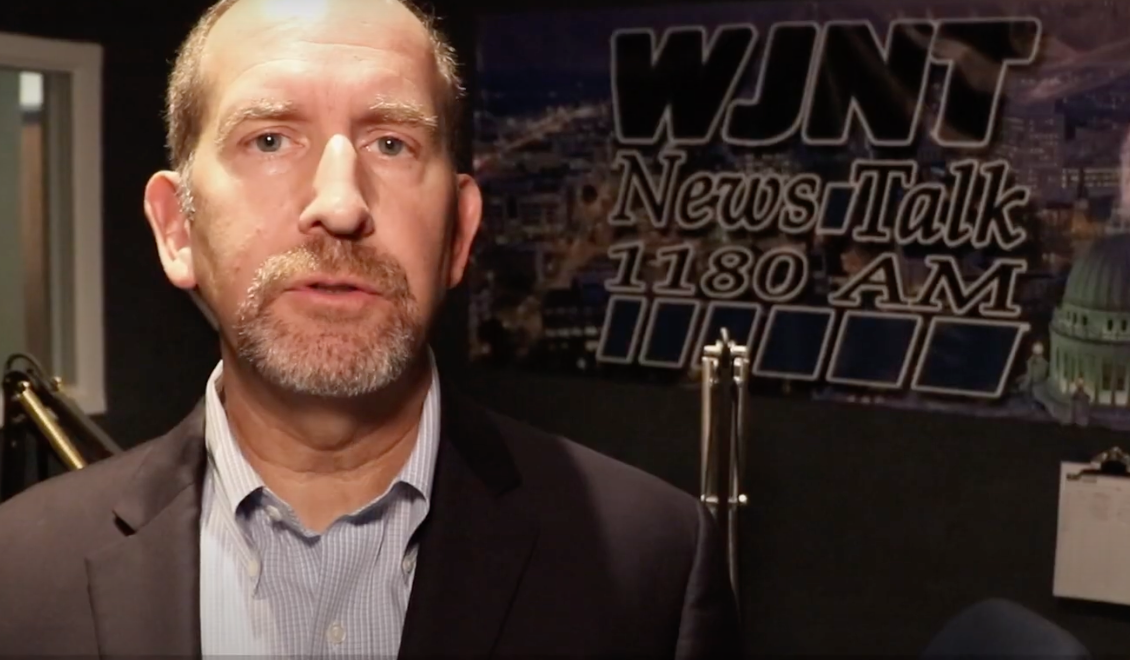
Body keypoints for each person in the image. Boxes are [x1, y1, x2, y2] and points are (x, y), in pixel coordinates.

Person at [0, 0, 740, 657]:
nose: (340, 204)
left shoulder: (651, 561)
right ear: (177, 230)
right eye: (269, 140)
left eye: (391, 143)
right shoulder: (18, 574)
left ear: (459, 233)